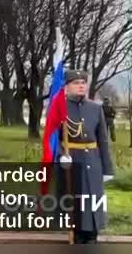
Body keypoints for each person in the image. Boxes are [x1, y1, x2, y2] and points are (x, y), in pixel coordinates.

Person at [58, 70, 114, 244]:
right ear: (67, 87)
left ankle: (92, 238)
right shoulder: (59, 108)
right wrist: (60, 158)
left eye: (83, 82)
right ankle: (79, 237)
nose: (81, 85)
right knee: (76, 207)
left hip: (93, 162)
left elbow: (103, 140)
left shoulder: (95, 108)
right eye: (76, 83)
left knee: (94, 205)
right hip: (72, 162)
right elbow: (52, 140)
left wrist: (107, 168)